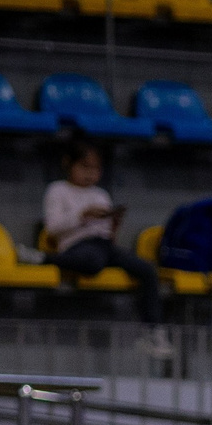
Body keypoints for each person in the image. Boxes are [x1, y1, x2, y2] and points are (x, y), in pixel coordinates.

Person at [43, 141, 167, 352]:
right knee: (93, 263)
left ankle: (153, 332)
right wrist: (82, 216)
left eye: (96, 169)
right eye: (84, 167)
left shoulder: (100, 194)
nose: (90, 174)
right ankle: (44, 258)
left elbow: (107, 233)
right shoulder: (57, 190)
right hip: (76, 245)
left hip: (104, 245)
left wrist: (114, 224)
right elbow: (53, 228)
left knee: (146, 269)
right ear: (68, 163)